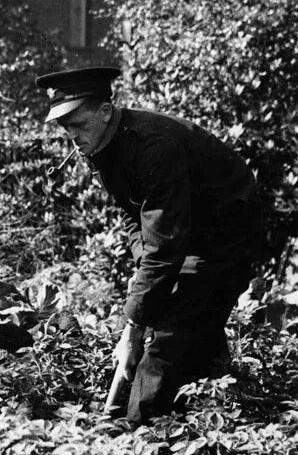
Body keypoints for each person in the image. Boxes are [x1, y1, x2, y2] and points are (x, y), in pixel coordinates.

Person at [35, 66, 263, 423]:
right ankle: (211, 389)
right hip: (184, 230)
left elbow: (166, 245)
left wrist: (133, 326)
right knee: (177, 316)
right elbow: (133, 214)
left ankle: (138, 436)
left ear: (105, 111)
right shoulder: (101, 144)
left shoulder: (153, 147)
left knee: (165, 337)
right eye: (66, 130)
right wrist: (146, 270)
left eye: (78, 125)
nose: (73, 137)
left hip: (225, 233)